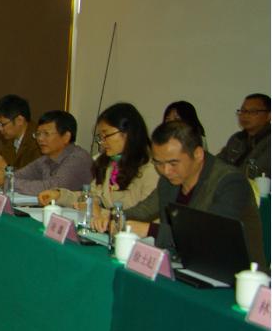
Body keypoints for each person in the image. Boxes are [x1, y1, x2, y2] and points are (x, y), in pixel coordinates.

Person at [101, 120, 265, 267]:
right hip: (182, 264)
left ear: (198, 154)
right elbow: (144, 210)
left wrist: (151, 230)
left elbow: (209, 237)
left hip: (233, 275)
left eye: (173, 163)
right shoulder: (169, 180)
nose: (166, 170)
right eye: (158, 163)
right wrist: (115, 217)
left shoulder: (230, 183)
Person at [38, 103, 159, 216]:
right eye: (100, 137)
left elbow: (144, 215)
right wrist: (59, 195)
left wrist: (101, 212)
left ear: (127, 133)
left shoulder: (152, 169)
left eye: (106, 135)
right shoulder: (110, 164)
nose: (102, 142)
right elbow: (92, 196)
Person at [0, 110, 91, 195]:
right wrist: (1, 177)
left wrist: (7, 181)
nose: (40, 139)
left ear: (66, 137)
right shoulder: (46, 159)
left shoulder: (78, 159)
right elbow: (20, 175)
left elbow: (52, 188)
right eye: (38, 134)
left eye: (46, 134)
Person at [0, 94, 41, 173]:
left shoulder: (39, 141)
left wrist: (6, 167)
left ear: (19, 120)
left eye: (3, 124)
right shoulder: (12, 139)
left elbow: (35, 176)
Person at [218, 93, 270, 177]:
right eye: (243, 111)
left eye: (253, 112)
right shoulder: (236, 139)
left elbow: (258, 171)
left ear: (269, 116)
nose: (245, 115)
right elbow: (217, 164)